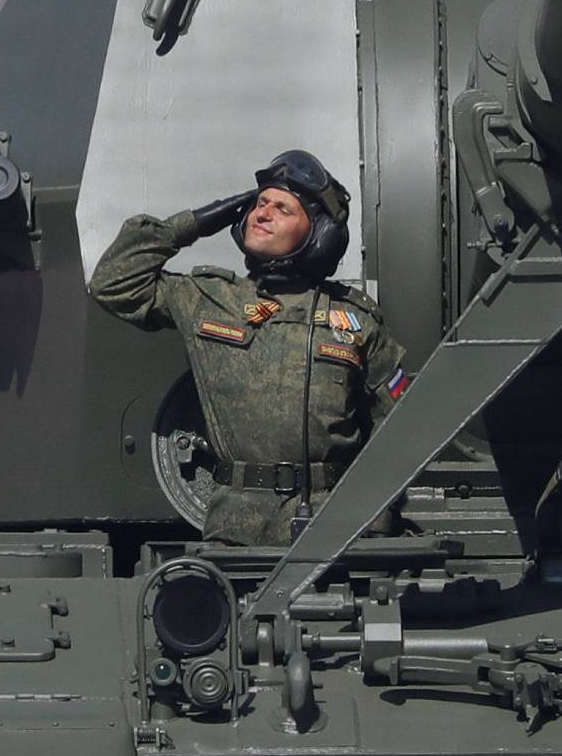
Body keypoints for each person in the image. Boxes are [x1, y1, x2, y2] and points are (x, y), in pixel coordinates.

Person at [91, 150, 409, 544]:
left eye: (282, 208)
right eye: (259, 204)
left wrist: (378, 515)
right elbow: (112, 284)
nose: (263, 213)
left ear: (319, 235)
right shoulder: (208, 298)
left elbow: (399, 427)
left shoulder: (353, 317)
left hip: (337, 526)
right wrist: (198, 221)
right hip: (235, 528)